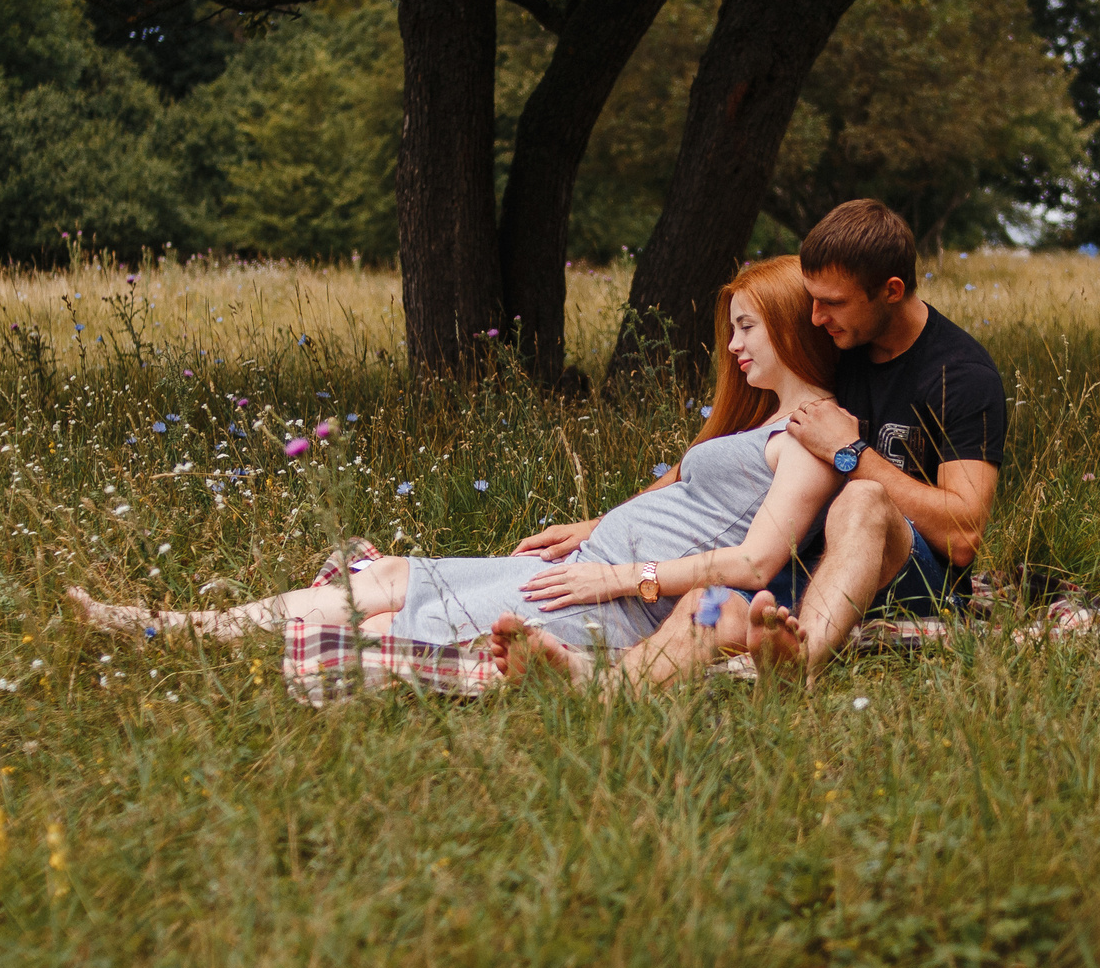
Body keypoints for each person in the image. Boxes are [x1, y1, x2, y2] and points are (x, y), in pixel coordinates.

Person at [63, 255, 843, 689]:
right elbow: (682, 490)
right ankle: (180, 627)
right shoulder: (758, 422)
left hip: (625, 601)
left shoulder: (808, 435)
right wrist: (593, 527)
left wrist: (614, 576)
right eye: (732, 329)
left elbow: (754, 561)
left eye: (747, 327)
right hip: (589, 564)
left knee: (394, 618)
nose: (735, 345)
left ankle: (190, 647)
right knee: (396, 573)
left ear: (784, 324)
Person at [629, 198, 1008, 686]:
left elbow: (962, 538)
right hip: (810, 560)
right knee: (707, 603)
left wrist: (851, 455)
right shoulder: (838, 346)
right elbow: (732, 450)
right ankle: (595, 687)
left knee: (862, 499)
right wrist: (607, 520)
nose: (814, 317)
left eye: (832, 302)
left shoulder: (960, 376)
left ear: (891, 290)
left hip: (915, 582)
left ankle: (797, 665)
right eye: (812, 298)